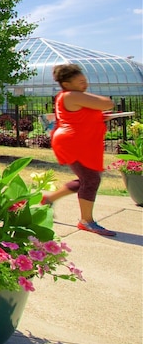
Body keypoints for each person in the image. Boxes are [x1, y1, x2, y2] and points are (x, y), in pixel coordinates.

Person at [42, 63, 116, 236]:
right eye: (80, 82)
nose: (85, 84)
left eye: (85, 81)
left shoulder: (70, 96)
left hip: (78, 142)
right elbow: (107, 103)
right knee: (90, 180)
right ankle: (86, 221)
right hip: (74, 143)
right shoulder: (72, 95)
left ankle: (49, 199)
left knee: (86, 179)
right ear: (67, 84)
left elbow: (81, 116)